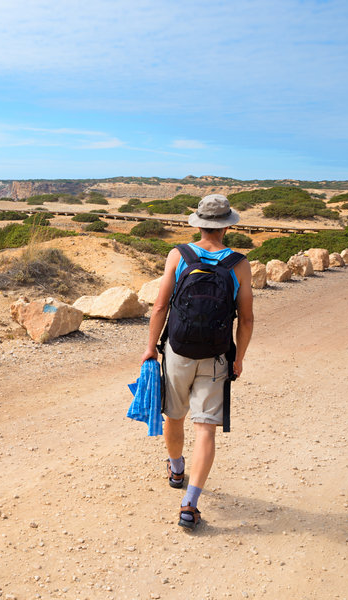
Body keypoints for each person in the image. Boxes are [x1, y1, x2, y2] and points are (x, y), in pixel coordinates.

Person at [139, 194, 254, 530]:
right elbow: (246, 320)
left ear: (199, 223)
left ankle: (176, 468)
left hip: (178, 350)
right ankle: (189, 504)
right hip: (217, 356)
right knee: (205, 429)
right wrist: (239, 357)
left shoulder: (179, 255)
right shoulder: (239, 264)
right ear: (227, 226)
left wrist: (150, 348)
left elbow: (160, 307)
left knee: (174, 416)